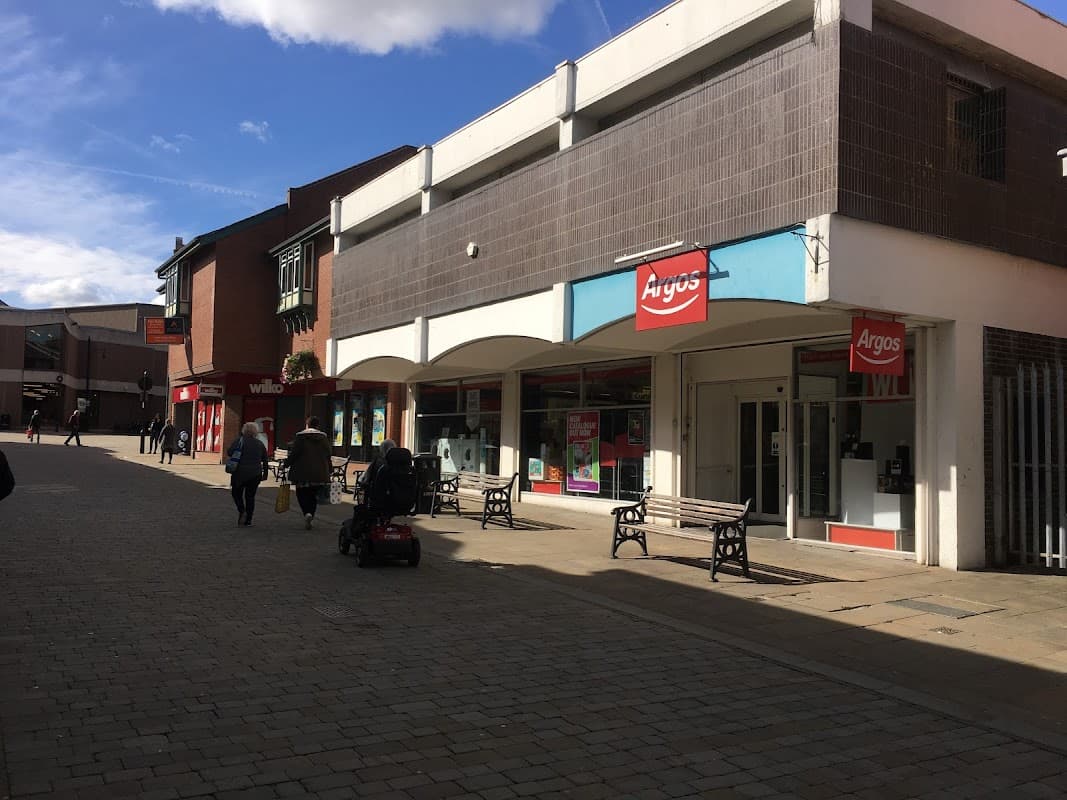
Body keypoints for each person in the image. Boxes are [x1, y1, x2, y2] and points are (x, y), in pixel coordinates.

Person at [283, 416, 332, 530]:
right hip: (319, 473)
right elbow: (328, 453)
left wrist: (285, 465)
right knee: (313, 496)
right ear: (317, 425)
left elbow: (294, 454)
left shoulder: (301, 437)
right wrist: (329, 469)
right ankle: (311, 514)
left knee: (302, 494)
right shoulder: (323, 437)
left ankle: (306, 513)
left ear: (307, 425)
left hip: (302, 472)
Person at [227, 421, 269, 527]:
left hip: (239, 473)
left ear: (244, 431)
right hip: (255, 474)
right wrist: (265, 474)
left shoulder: (239, 441)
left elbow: (229, 452)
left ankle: (242, 510)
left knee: (236, 494)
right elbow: (265, 459)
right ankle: (248, 520)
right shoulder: (260, 443)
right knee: (250, 496)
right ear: (255, 432)